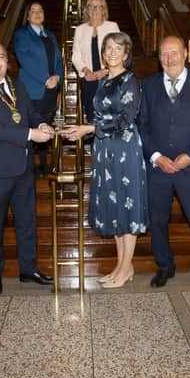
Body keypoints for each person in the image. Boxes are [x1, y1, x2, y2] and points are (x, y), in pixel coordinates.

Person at [0, 40, 55, 295]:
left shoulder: (18, 86)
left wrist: (42, 125)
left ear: (7, 60)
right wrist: (29, 135)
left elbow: (31, 113)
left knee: (27, 223)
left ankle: (29, 269)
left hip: (23, 169)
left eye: (1, 57)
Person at [61, 32, 148, 288]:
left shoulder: (130, 79)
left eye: (117, 48)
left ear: (126, 53)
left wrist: (88, 130)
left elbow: (125, 118)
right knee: (117, 207)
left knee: (127, 206)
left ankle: (124, 268)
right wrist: (82, 127)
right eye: (108, 47)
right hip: (105, 149)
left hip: (125, 149)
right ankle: (123, 266)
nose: (112, 52)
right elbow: (98, 116)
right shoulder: (103, 80)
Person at [138, 36, 190, 293]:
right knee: (158, 221)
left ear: (185, 54)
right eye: (163, 54)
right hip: (158, 169)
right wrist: (156, 157)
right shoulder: (148, 86)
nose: (169, 58)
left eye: (174, 52)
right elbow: (143, 126)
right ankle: (164, 266)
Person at [13, 2, 63, 176]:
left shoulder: (50, 36)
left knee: (46, 126)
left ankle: (43, 164)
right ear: (27, 16)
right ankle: (28, 166)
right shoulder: (21, 35)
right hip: (32, 89)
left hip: (50, 89)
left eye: (40, 10)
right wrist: (46, 79)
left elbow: (59, 60)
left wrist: (57, 77)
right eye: (33, 11)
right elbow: (24, 60)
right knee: (31, 126)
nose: (37, 13)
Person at [71, 0, 119, 124]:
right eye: (91, 6)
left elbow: (118, 52)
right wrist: (86, 71)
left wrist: (105, 70)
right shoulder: (80, 30)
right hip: (89, 79)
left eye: (98, 7)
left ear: (104, 10)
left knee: (110, 114)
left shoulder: (112, 27)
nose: (94, 9)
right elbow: (76, 55)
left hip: (109, 77)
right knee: (92, 116)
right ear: (86, 10)